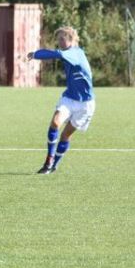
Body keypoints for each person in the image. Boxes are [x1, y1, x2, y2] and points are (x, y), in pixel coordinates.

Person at [27, 26, 95, 175]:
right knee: (55, 122)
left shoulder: (76, 53)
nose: (59, 42)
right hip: (69, 98)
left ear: (71, 39)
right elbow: (59, 53)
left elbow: (57, 54)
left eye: (62, 39)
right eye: (58, 39)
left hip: (85, 105)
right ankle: (49, 160)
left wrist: (36, 54)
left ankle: (54, 165)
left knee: (65, 136)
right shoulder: (69, 53)